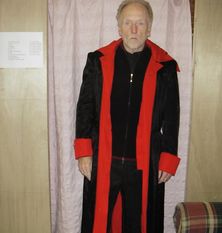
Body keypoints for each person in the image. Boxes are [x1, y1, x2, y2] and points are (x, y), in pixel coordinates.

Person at [74, 0, 180, 232]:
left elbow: (172, 117)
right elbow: (85, 107)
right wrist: (84, 152)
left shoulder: (165, 67)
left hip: (145, 164)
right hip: (103, 158)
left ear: (149, 28)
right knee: (98, 223)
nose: (134, 30)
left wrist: (168, 158)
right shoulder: (97, 61)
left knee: (140, 223)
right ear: (119, 27)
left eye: (140, 23)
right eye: (128, 23)